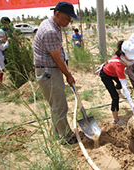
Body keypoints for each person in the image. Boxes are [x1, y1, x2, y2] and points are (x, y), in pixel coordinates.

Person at [33, 2, 80, 145]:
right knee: (60, 106)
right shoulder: (50, 31)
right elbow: (57, 59)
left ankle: (57, 134)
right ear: (57, 14)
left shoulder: (53, 25)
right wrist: (68, 75)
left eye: (70, 19)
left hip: (49, 70)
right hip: (49, 72)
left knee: (56, 105)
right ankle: (65, 137)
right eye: (66, 18)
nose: (68, 22)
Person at [98, 40, 134, 126]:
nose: (132, 58)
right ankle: (116, 119)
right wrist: (132, 105)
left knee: (118, 85)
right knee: (115, 97)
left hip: (113, 72)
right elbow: (125, 88)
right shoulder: (119, 66)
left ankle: (118, 92)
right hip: (106, 75)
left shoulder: (124, 57)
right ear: (123, 54)